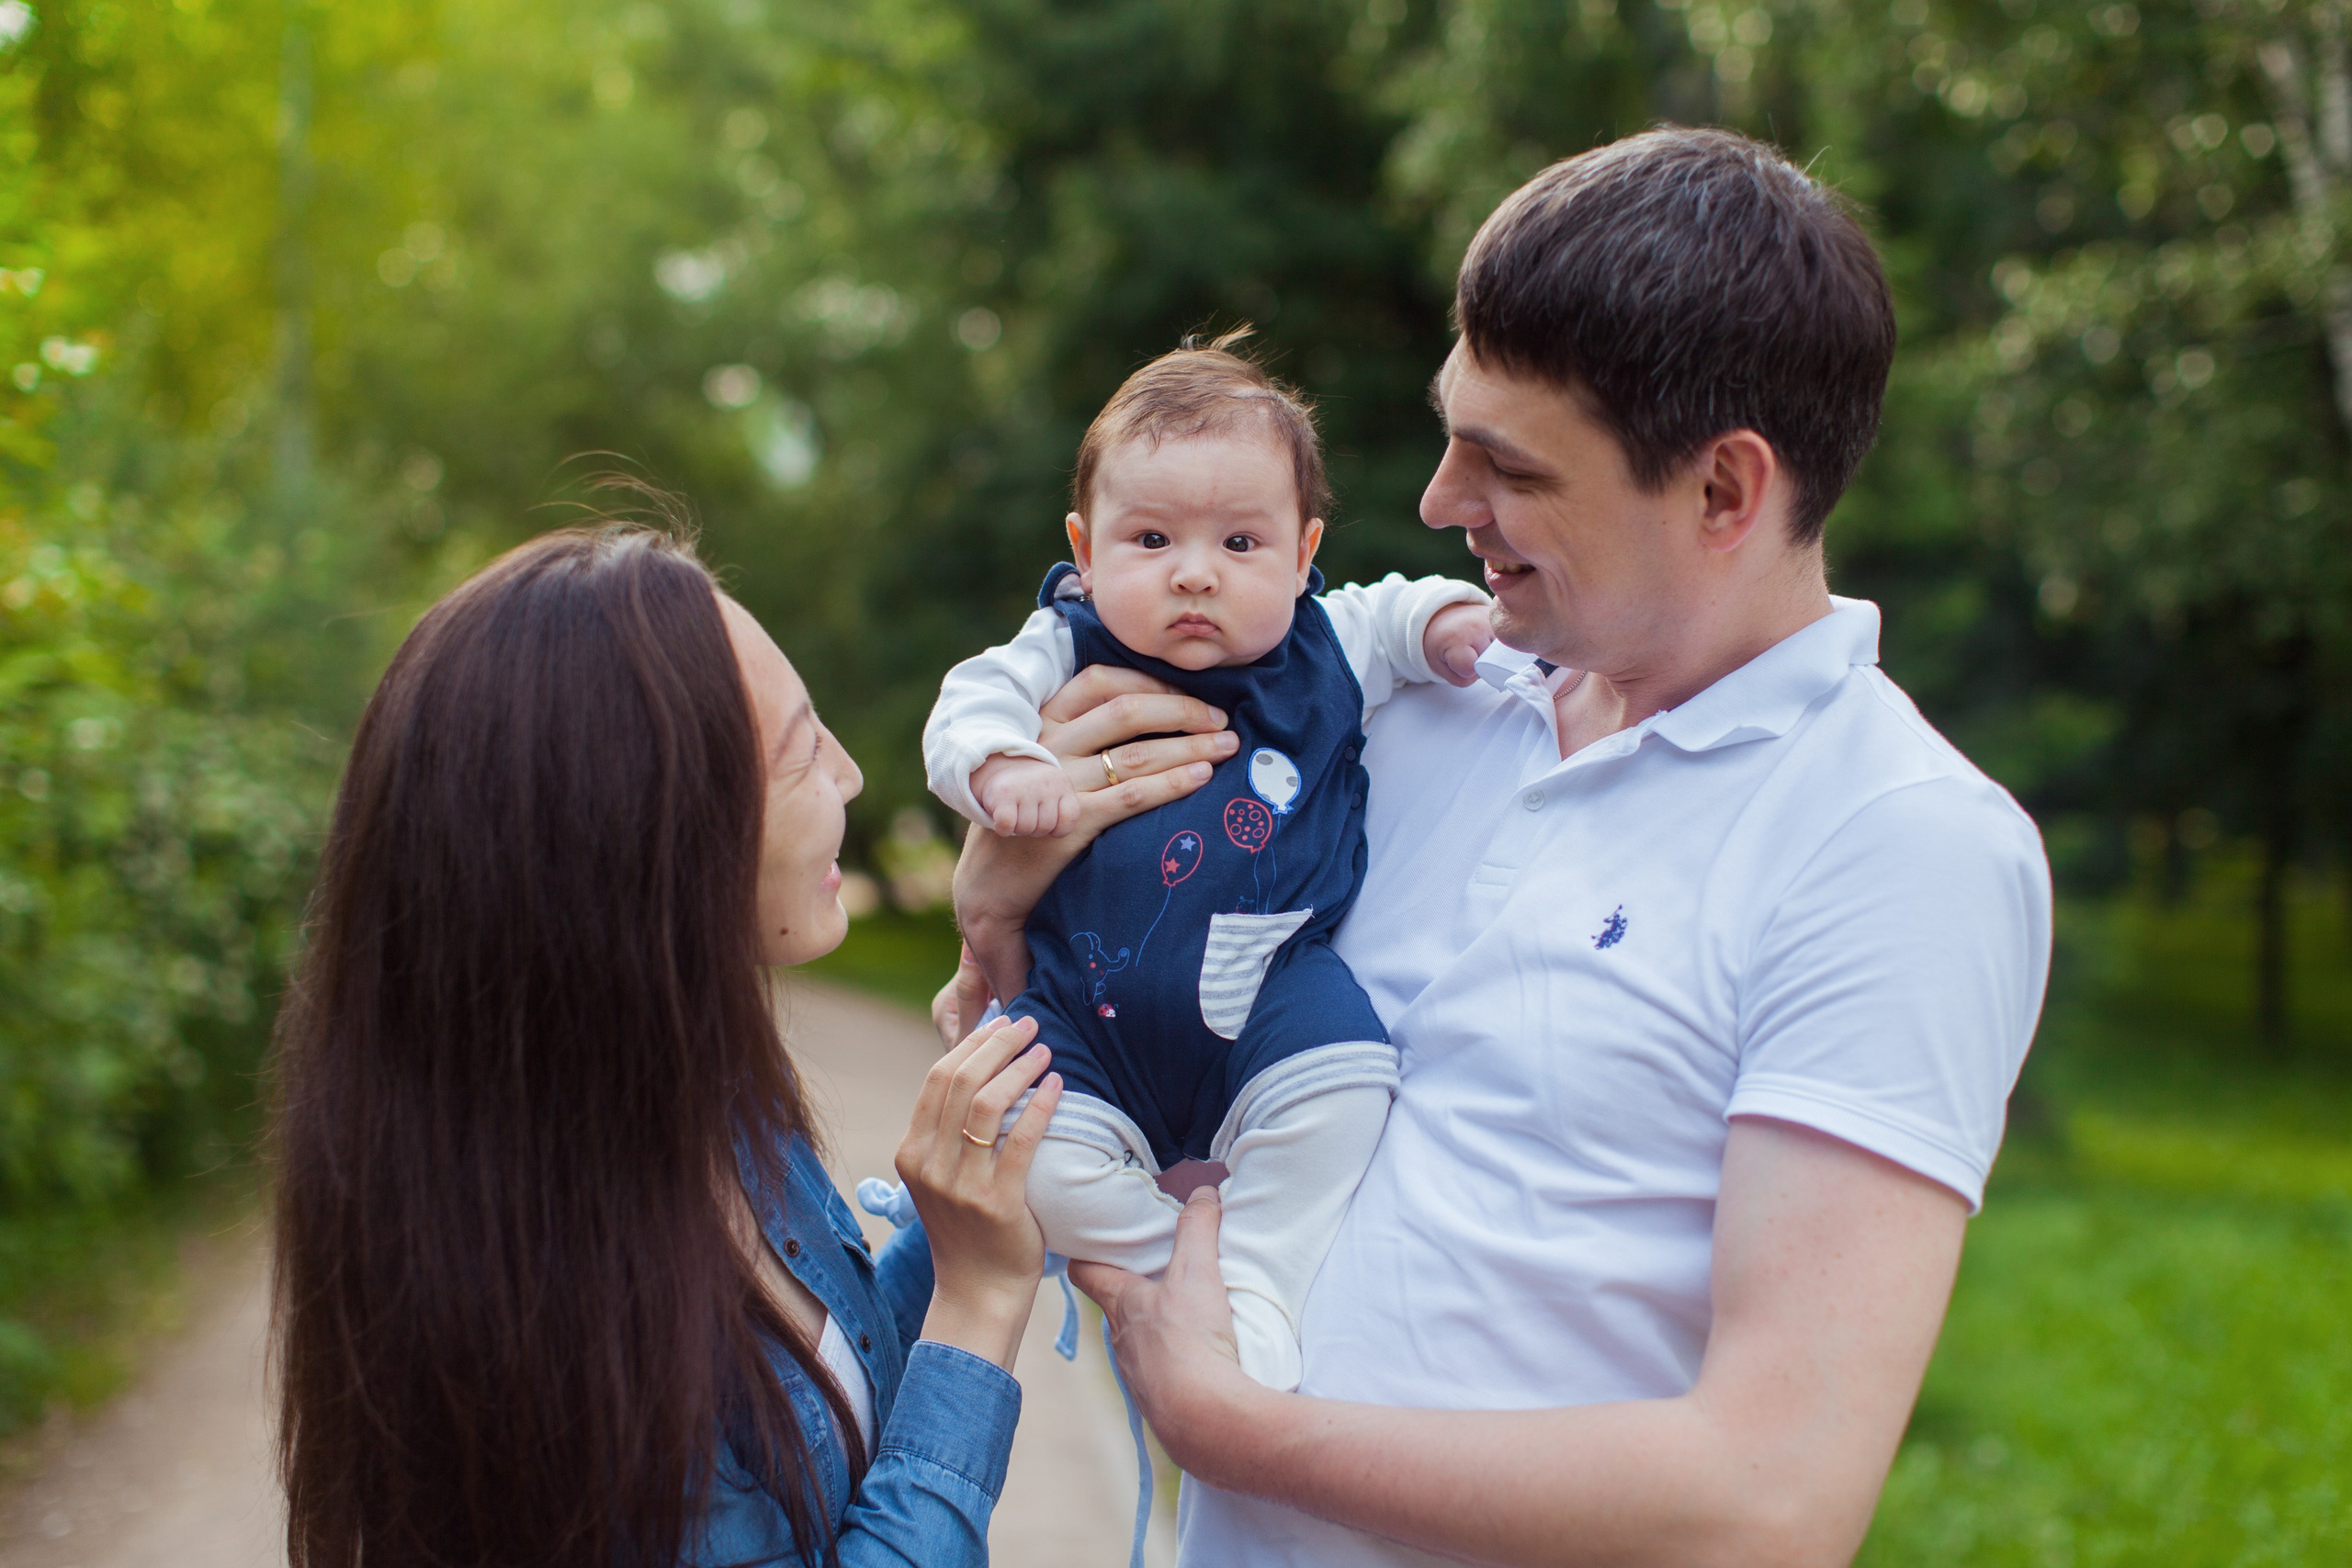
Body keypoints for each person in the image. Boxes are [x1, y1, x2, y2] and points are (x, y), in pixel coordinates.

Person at [952, 126, 2055, 1567]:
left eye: (1507, 465)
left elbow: (1770, 1498)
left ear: (1724, 492)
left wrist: (1238, 1425)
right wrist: (1003, 907)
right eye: (1450, 428)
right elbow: (1103, 1038)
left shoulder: (1900, 843)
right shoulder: (1404, 699)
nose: (1436, 502)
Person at [267, 523, 1223, 1568]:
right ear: (655, 839)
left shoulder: (696, 1109)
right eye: (805, 750)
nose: (853, 776)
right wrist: (979, 1303)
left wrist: (1020, 984)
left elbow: (835, 1351)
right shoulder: (564, 1339)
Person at [922, 333, 1490, 1390]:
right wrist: (999, 766)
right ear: (1085, 550)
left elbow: (1398, 610)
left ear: (1302, 549)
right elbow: (972, 697)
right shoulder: (1069, 639)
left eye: (1240, 542)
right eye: (1149, 539)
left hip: (1274, 989)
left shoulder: (1325, 640)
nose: (1194, 574)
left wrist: (1449, 620)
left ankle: (1258, 1281)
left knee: (1350, 1087)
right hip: (1084, 1008)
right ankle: (1161, 1257)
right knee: (1012, 1145)